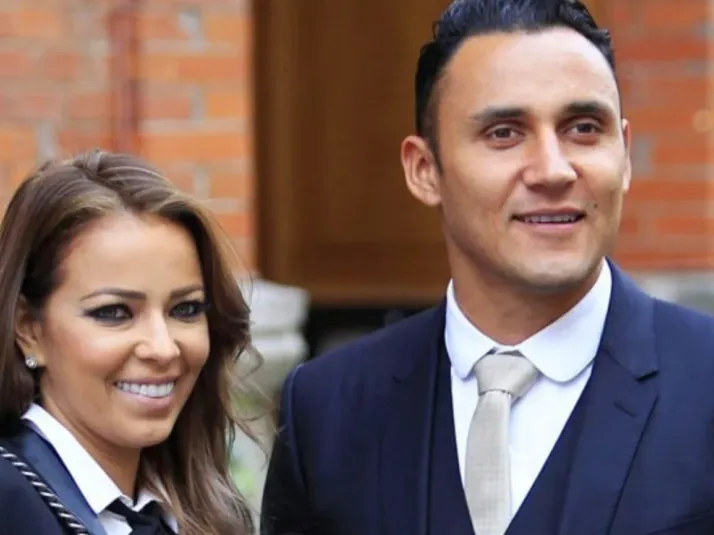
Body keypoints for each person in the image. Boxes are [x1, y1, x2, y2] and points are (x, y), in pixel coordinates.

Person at [260, 0, 714, 534]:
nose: (553, 170)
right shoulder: (328, 409)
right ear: (425, 170)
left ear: (625, 153)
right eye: (504, 133)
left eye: (584, 128)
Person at [0, 149, 256, 535]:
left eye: (185, 309)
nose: (163, 348)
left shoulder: (204, 512)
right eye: (114, 312)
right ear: (28, 329)